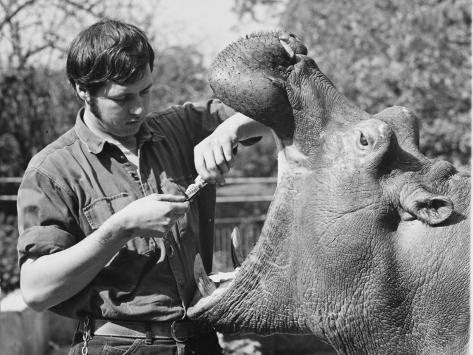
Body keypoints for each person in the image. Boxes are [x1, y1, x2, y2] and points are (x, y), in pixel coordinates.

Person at [16, 19, 269, 355]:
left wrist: (230, 129)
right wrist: (119, 230)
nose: (139, 108)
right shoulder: (53, 170)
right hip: (116, 344)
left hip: (200, 341)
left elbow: (278, 110)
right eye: (122, 99)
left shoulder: (181, 126)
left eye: (145, 91)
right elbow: (36, 292)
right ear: (82, 90)